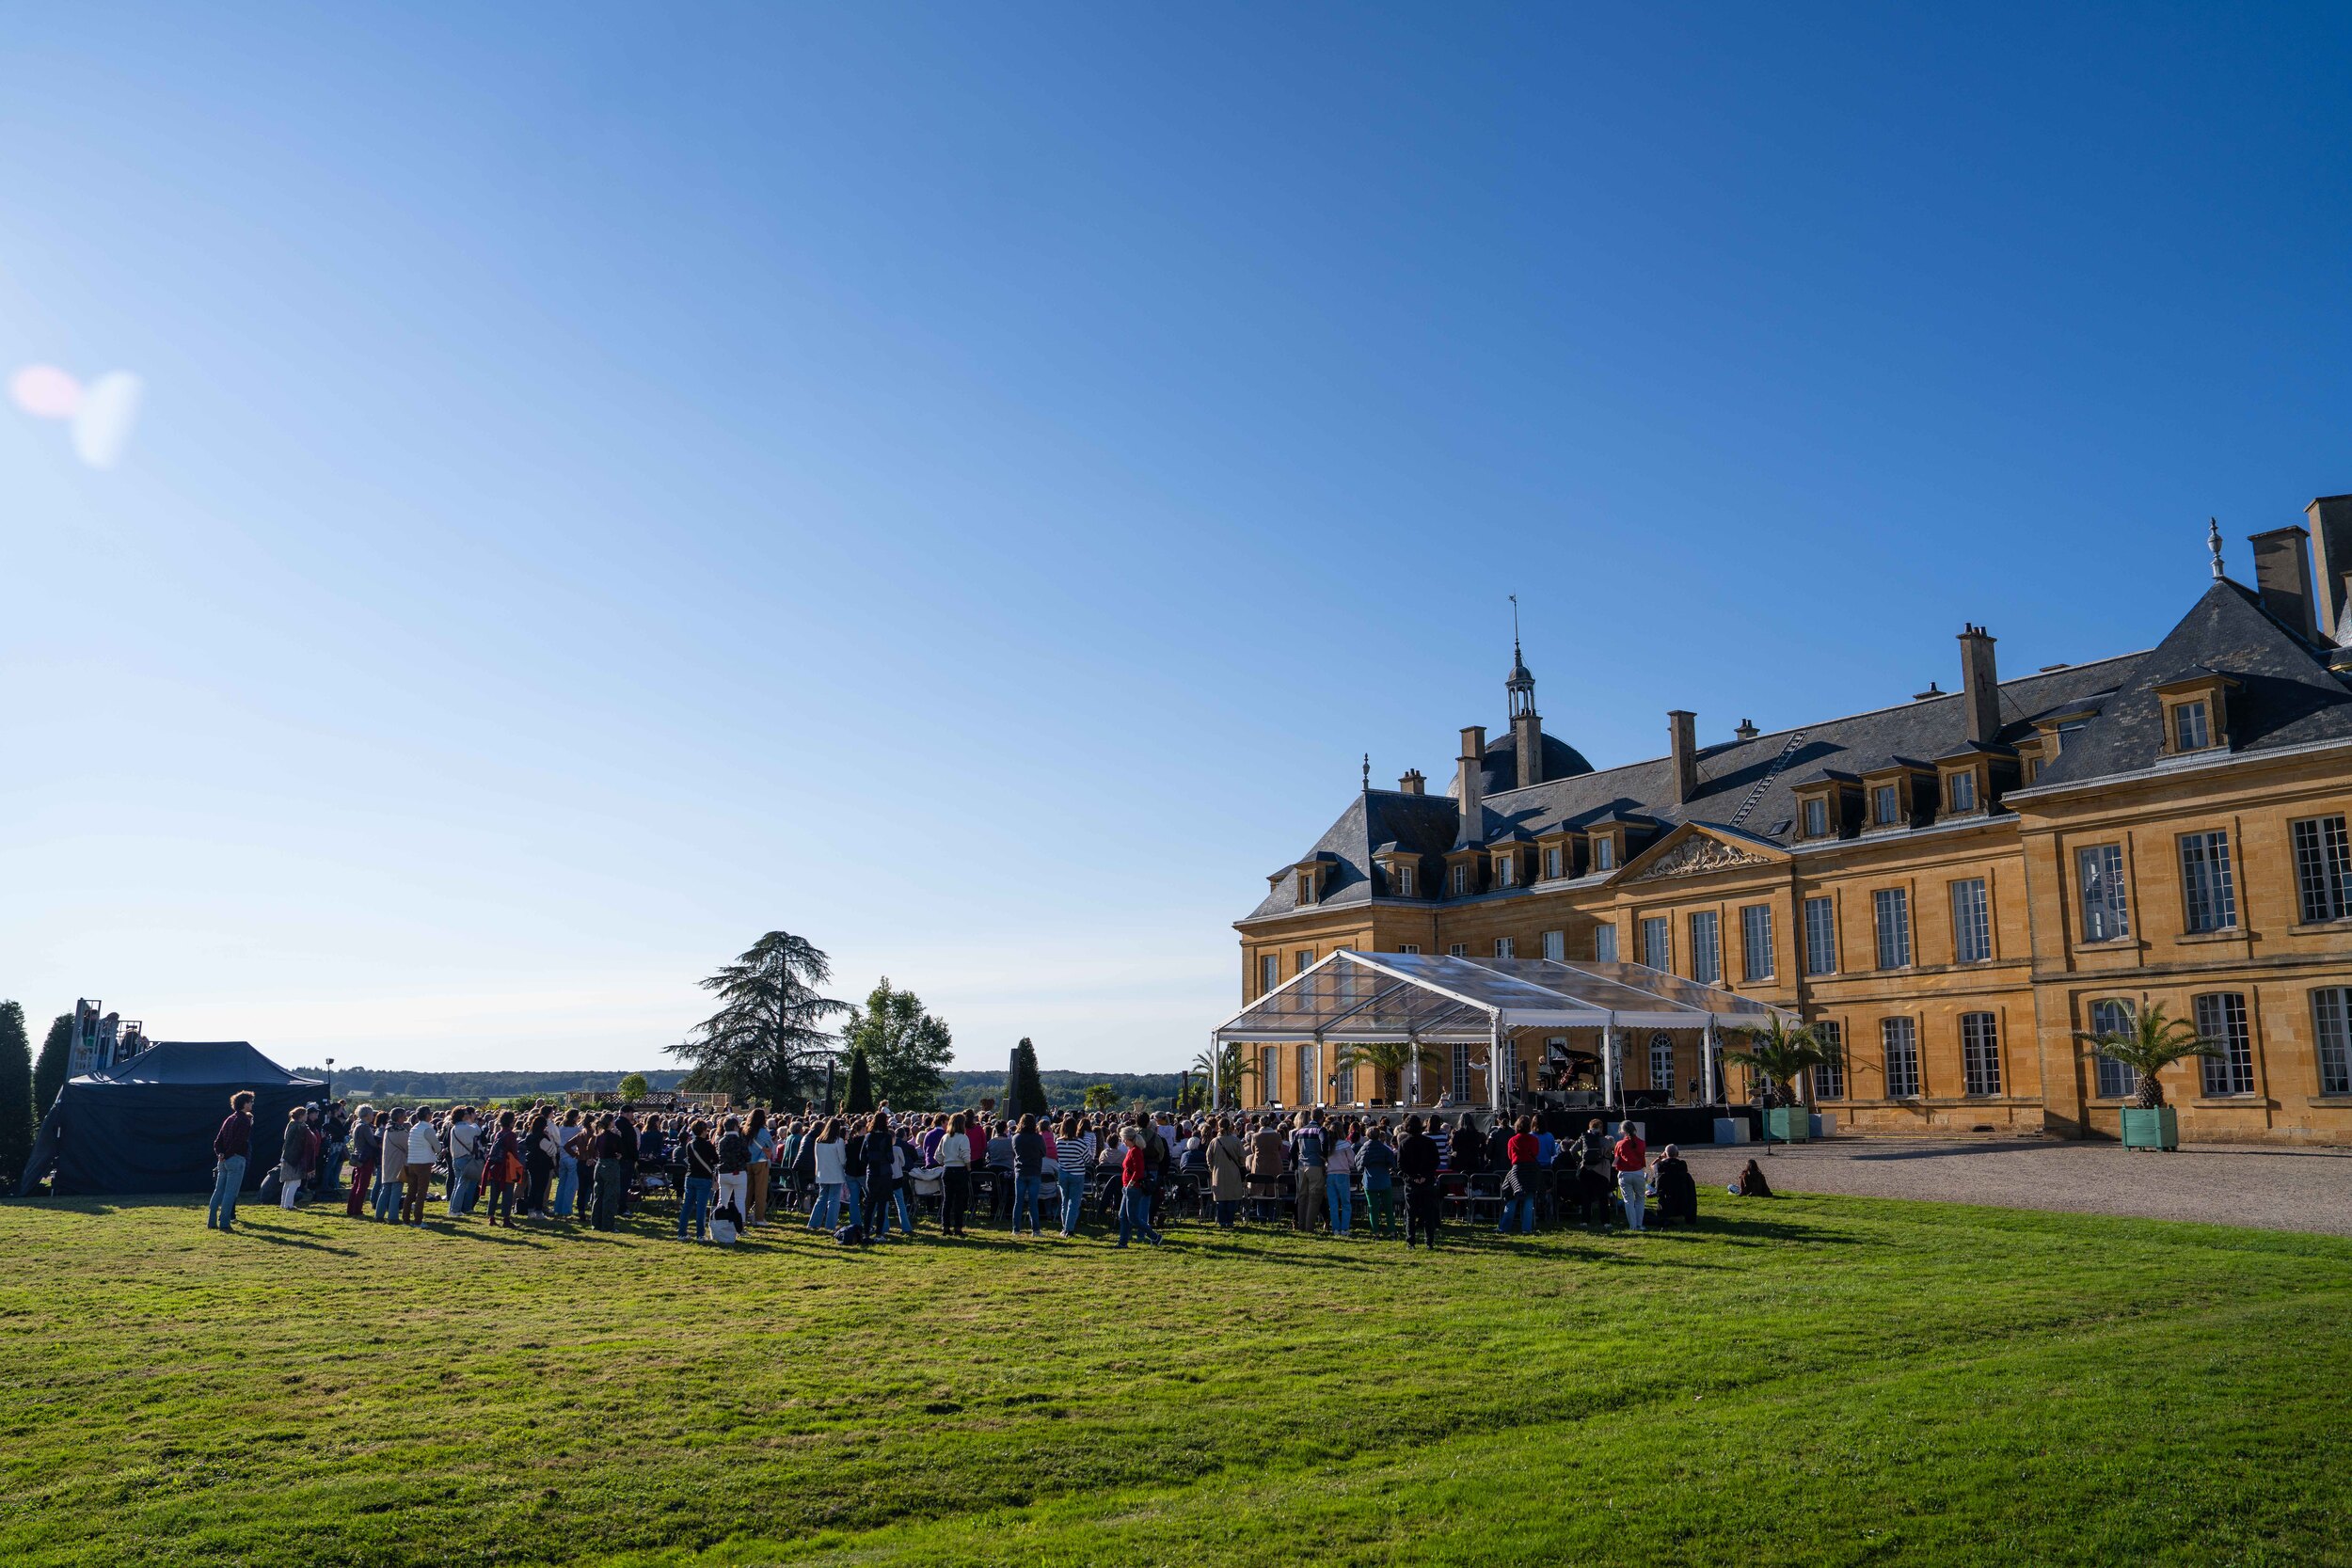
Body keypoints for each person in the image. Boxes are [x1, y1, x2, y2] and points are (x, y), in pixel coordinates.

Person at [208, 1090, 255, 1230]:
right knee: (230, 1193)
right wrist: (227, 1154)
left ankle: (211, 1222)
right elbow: (238, 1141)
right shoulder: (244, 1120)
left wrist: (220, 1154)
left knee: (218, 1191)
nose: (252, 1104)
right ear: (244, 1103)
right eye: (251, 1102)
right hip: (235, 1159)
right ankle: (224, 1223)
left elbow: (218, 1141)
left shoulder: (229, 1119)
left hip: (223, 1161)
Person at [1113, 1125, 1162, 1247]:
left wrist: (1131, 1182)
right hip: (1128, 1187)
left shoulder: (1135, 1151)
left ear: (1127, 1138)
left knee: (1133, 1217)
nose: (1122, 1142)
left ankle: (1154, 1236)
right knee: (1123, 1216)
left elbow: (1139, 1170)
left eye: (1123, 1139)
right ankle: (1123, 1242)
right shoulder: (1132, 1150)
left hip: (1133, 1187)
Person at [807, 1117, 859, 1233]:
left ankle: (813, 1223)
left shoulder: (818, 1140)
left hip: (822, 1173)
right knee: (834, 1200)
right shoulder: (838, 1141)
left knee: (821, 1198)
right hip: (835, 1173)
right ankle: (830, 1225)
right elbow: (842, 1160)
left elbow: (817, 1157)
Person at [1397, 1114, 1440, 1248]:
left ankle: (1411, 1241)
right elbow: (1436, 1161)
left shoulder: (1404, 1143)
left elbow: (1401, 1164)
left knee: (1411, 1213)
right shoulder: (1429, 1142)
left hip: (1411, 1182)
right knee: (1428, 1213)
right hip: (1427, 1181)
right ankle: (1429, 1241)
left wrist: (1413, 1176)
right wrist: (1425, 1176)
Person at [1497, 1116, 1541, 1235]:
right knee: (1529, 1199)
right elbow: (1536, 1153)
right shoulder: (1534, 1139)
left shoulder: (1512, 1140)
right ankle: (1526, 1228)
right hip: (1531, 1169)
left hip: (1517, 1169)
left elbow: (1510, 1156)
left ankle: (1504, 1227)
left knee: (1512, 1198)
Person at [861, 1114, 901, 1242]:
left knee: (870, 1204)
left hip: (872, 1173)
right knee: (882, 1205)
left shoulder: (868, 1136)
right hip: (884, 1173)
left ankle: (866, 1233)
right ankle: (879, 1233)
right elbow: (890, 1157)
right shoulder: (887, 1137)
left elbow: (862, 1157)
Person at [482, 1111, 524, 1227]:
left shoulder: (498, 1134)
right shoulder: (511, 1135)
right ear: (511, 1121)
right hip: (507, 1168)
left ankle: (491, 1217)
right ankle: (506, 1219)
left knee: (494, 1194)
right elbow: (514, 1152)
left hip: (495, 1166)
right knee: (507, 1194)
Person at [590, 1114, 631, 1232]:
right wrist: (619, 1138)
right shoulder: (614, 1137)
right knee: (610, 1196)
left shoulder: (598, 1136)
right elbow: (621, 1151)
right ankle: (608, 1225)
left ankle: (596, 1223)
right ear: (610, 1123)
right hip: (611, 1165)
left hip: (599, 1164)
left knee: (598, 1195)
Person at [1288, 1112, 1328, 1233]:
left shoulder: (1300, 1131)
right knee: (1314, 1197)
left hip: (1302, 1166)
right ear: (1322, 1118)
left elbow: (1292, 1150)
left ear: (1311, 1117)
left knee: (1302, 1197)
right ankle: (1309, 1227)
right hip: (1315, 1165)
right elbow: (1324, 1142)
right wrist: (1324, 1157)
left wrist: (1297, 1164)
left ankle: (1301, 1225)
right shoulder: (1320, 1130)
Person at [677, 1119, 718, 1241]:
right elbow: (716, 1159)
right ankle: (700, 1234)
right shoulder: (708, 1145)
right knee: (701, 1207)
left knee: (687, 1206)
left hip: (690, 1176)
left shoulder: (689, 1144)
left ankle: (681, 1233)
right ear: (703, 1131)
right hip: (704, 1178)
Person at [1205, 1115, 1248, 1228]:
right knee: (1231, 1198)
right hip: (1233, 1172)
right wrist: (1240, 1165)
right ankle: (1229, 1221)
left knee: (1221, 1199)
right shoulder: (1236, 1141)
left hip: (1218, 1173)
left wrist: (1212, 1167)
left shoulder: (1214, 1141)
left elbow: (1209, 1158)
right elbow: (1242, 1157)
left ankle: (1222, 1221)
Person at [1358, 1122, 1398, 1238]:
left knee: (1372, 1208)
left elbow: (1358, 1163)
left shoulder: (1364, 1148)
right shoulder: (1385, 1148)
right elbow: (1392, 1163)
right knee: (1388, 1208)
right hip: (1384, 1179)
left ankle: (1376, 1232)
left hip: (1370, 1181)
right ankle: (1392, 1232)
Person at [936, 1111, 973, 1237]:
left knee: (947, 1200)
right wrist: (968, 1168)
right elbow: (966, 1155)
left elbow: (938, 1155)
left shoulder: (945, 1137)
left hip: (947, 1169)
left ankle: (945, 1227)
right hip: (960, 1170)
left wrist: (945, 1162)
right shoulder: (963, 1138)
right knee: (959, 1201)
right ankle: (958, 1227)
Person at [1056, 1113, 1091, 1237]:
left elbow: (1057, 1157)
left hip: (1063, 1173)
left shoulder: (1058, 1142)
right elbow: (1087, 1159)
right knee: (1074, 1203)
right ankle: (1069, 1229)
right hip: (1077, 1174)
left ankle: (1065, 1227)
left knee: (1064, 1201)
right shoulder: (1080, 1143)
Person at [1010, 1114, 1046, 1236]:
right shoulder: (1038, 1138)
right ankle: (1035, 1230)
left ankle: (1016, 1229)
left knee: (1018, 1201)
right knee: (1033, 1202)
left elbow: (1014, 1152)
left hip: (1020, 1171)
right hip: (1034, 1171)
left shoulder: (1016, 1137)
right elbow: (1044, 1152)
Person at [445, 1107, 485, 1217]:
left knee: (457, 1185)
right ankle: (455, 1210)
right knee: (462, 1185)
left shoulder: (454, 1128)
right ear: (463, 1116)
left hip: (456, 1158)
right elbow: (478, 1130)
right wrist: (472, 1120)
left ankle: (452, 1208)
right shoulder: (467, 1127)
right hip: (465, 1158)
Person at [345, 1105, 381, 1219]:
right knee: (363, 1184)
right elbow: (372, 1143)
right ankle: (357, 1209)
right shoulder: (365, 1127)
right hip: (366, 1158)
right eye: (371, 1114)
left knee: (356, 1184)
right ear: (367, 1115)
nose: (373, 1116)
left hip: (358, 1157)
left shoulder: (357, 1125)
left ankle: (351, 1208)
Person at [1613, 1120, 1649, 1231]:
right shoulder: (1641, 1143)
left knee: (1628, 1201)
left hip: (1625, 1174)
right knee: (1640, 1199)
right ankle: (1639, 1224)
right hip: (1638, 1173)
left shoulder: (1619, 1144)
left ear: (1622, 1131)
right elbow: (1642, 1159)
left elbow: (1615, 1162)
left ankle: (1632, 1226)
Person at [714, 1116, 751, 1226]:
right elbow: (748, 1156)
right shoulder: (740, 1140)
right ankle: (740, 1225)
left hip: (724, 1173)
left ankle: (719, 1223)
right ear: (735, 1127)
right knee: (740, 1201)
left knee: (722, 1200)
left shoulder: (721, 1141)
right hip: (739, 1172)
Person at [403, 1112, 437, 1224]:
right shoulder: (428, 1129)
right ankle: (418, 1219)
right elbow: (437, 1147)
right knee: (421, 1193)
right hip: (424, 1163)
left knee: (410, 1192)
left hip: (412, 1162)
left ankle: (405, 1218)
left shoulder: (414, 1128)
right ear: (427, 1116)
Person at [375, 1108, 409, 1221]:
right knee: (396, 1191)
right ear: (399, 1118)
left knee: (385, 1190)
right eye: (404, 1116)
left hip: (387, 1163)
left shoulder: (387, 1129)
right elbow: (408, 1147)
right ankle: (393, 1217)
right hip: (398, 1163)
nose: (405, 1118)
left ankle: (379, 1215)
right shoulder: (399, 1131)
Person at [551, 1111, 587, 1220]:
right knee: (571, 1186)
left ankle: (558, 1208)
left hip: (562, 1158)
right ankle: (566, 1209)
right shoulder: (576, 1130)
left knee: (561, 1184)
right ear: (575, 1118)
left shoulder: (561, 1128)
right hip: (572, 1157)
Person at [277, 1106, 313, 1211]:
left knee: (288, 1182)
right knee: (295, 1182)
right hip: (294, 1158)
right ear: (301, 1116)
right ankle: (289, 1205)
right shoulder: (300, 1127)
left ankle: (284, 1204)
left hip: (286, 1156)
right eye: (305, 1114)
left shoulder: (291, 1124)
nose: (307, 1116)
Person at [1325, 1119, 1356, 1236]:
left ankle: (1336, 1229)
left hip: (1330, 1175)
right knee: (1345, 1203)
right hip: (1343, 1174)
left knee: (1333, 1204)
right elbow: (1352, 1161)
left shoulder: (1328, 1145)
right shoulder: (1345, 1144)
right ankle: (1345, 1229)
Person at [1654, 1144, 1699, 1224]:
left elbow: (1652, 1166)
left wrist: (1660, 1157)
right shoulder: (1682, 1165)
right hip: (1681, 1200)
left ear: (1665, 1154)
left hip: (1666, 1200)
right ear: (1677, 1154)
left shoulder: (1660, 1166)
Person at [745, 1107, 774, 1226]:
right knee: (760, 1192)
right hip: (761, 1162)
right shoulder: (763, 1132)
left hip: (748, 1162)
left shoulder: (745, 1130)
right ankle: (759, 1218)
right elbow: (770, 1146)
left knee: (747, 1191)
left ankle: (743, 1215)